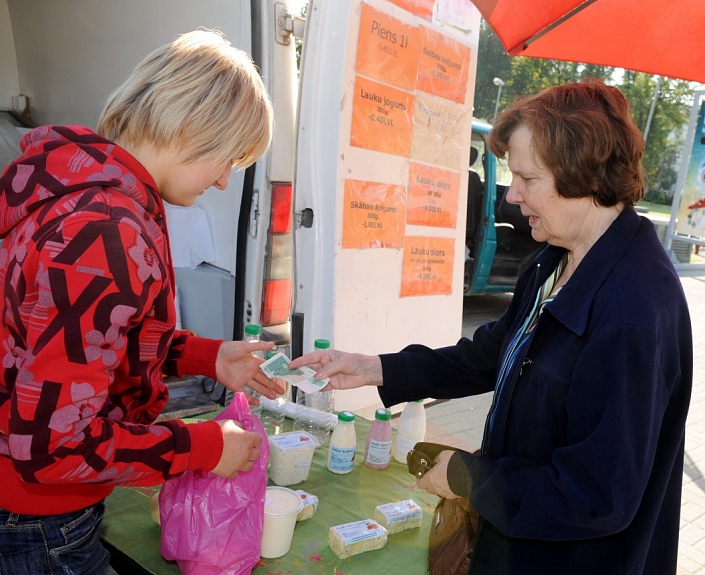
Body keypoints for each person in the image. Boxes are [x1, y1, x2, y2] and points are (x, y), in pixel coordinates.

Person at [291, 80, 693, 575]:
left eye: (527, 178)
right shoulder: (556, 259)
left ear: (584, 175)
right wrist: (374, 368)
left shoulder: (634, 310)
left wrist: (471, 479)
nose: (513, 196)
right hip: (515, 542)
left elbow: (597, 494)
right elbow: (489, 355)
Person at [0, 30, 284, 575]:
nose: (222, 181)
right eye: (227, 158)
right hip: (24, 524)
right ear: (192, 126)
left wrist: (206, 357)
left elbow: (94, 338)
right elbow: (53, 448)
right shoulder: (106, 231)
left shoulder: (86, 187)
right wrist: (203, 447)